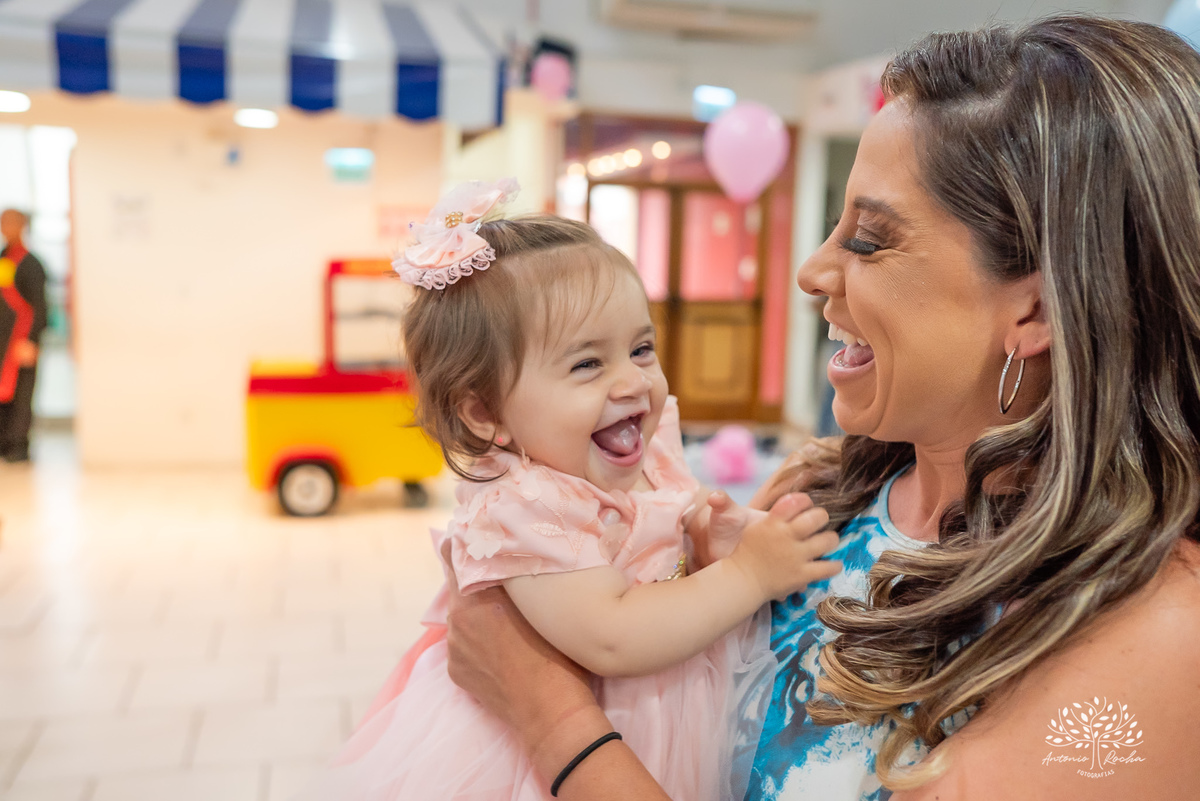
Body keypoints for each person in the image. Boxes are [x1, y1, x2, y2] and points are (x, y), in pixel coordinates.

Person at [437, 15, 1200, 801]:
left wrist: (551, 717)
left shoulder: (1153, 627)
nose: (811, 269)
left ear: (1035, 313)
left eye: (868, 240)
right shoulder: (823, 494)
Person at [302, 180, 841, 800]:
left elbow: (668, 517)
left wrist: (706, 535)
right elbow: (611, 634)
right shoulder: (518, 509)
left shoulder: (644, 446)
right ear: (484, 411)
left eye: (641, 349)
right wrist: (748, 575)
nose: (633, 383)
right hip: (558, 753)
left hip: (662, 719)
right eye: (587, 364)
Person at [0, 208, 48, 464]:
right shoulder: (3, 259)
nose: (6, 227)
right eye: (3, 222)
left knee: (21, 395)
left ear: (23, 225)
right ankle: (3, 444)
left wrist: (31, 340)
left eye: (12, 222)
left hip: (21, 340)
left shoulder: (31, 264)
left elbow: (40, 306)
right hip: (2, 341)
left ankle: (19, 447)